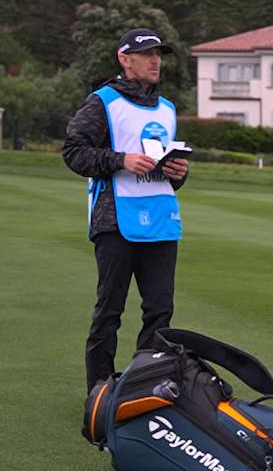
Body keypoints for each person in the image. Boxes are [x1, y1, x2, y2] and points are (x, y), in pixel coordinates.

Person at [62, 28, 189, 392]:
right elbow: (73, 152)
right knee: (110, 311)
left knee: (160, 311)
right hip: (115, 220)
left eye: (159, 54)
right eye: (147, 54)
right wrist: (120, 160)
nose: (155, 61)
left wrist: (179, 172)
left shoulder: (167, 109)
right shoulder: (102, 101)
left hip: (161, 220)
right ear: (125, 58)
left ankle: (144, 390)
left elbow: (163, 170)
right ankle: (99, 394)